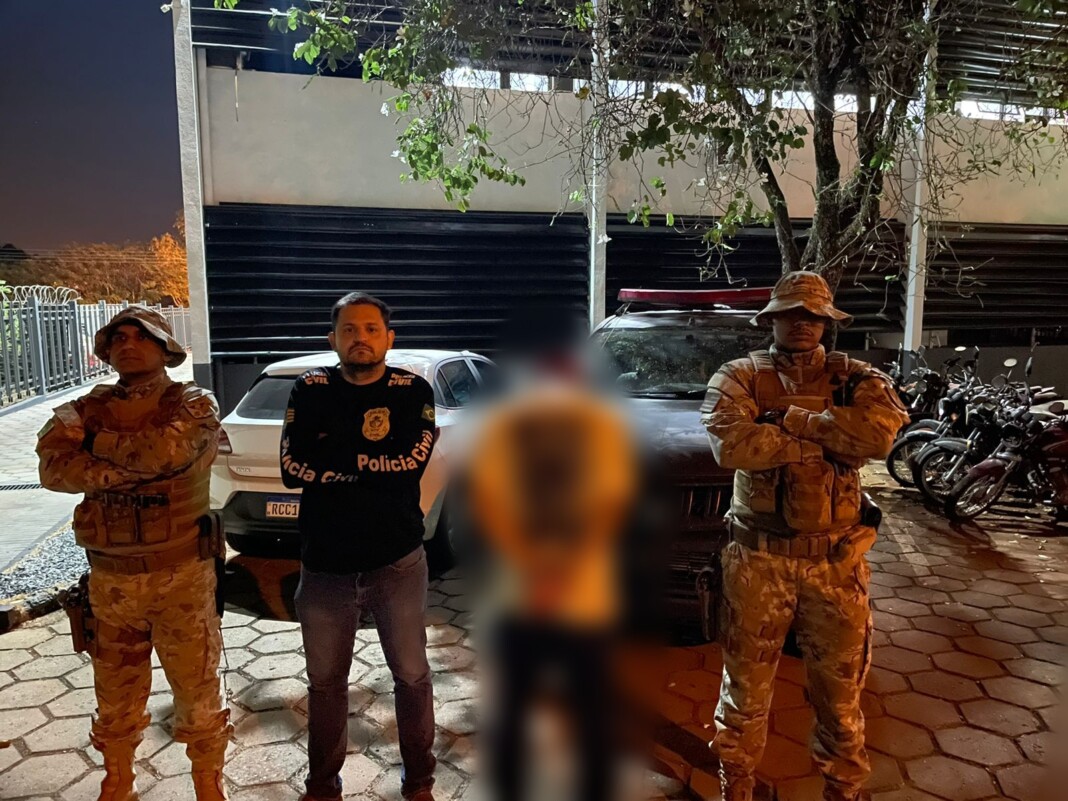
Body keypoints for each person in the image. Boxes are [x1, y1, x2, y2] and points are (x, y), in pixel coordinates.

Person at [700, 272, 909, 801]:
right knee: (745, 694)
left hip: (836, 565)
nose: (802, 323)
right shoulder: (739, 375)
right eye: (791, 313)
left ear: (826, 322)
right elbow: (732, 446)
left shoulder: (856, 376)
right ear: (771, 319)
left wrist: (796, 420)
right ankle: (737, 786)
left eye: (812, 315)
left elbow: (879, 438)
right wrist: (831, 441)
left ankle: (843, 789)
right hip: (758, 561)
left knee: (840, 696)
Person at [36, 306, 230, 801]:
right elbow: (53, 468)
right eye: (118, 337)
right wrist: (119, 470)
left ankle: (208, 784)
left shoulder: (194, 402)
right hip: (110, 581)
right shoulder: (84, 407)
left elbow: (167, 453)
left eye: (140, 337)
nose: (127, 344)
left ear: (165, 348)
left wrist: (96, 444)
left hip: (181, 575)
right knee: (114, 694)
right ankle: (118, 781)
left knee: (197, 692)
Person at [460, 306, 639, 801]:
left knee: (587, 704)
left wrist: (547, 572)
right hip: (533, 592)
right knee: (518, 704)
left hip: (571, 593)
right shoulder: (509, 424)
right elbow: (489, 502)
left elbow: (611, 504)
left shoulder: (599, 424)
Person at [281, 292, 437, 801]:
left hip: (397, 563)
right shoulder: (309, 387)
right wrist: (369, 459)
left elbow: (408, 464)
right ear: (333, 339)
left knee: (411, 676)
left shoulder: (413, 390)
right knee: (326, 684)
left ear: (389, 338)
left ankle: (419, 781)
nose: (360, 338)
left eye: (371, 329)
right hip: (324, 567)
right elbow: (292, 469)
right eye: (349, 329)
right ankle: (322, 787)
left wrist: (333, 449)